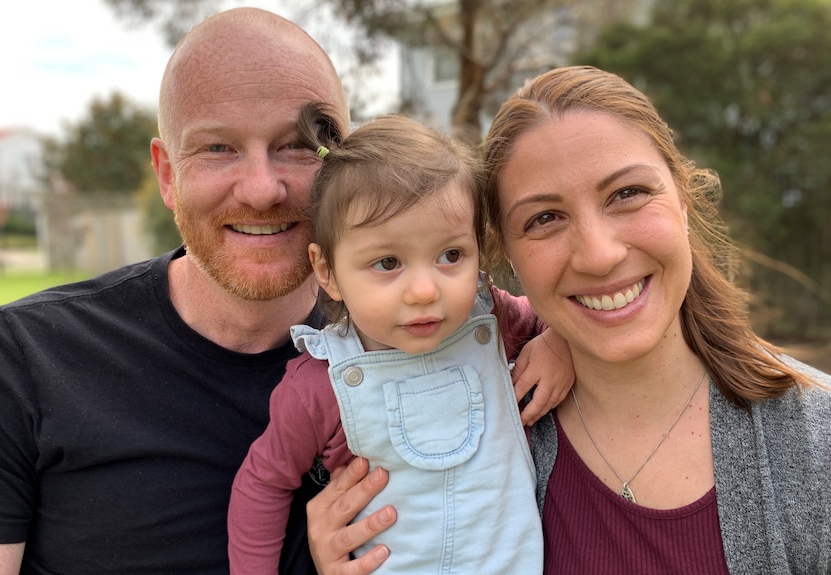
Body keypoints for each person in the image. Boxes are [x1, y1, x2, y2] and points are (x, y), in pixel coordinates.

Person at [306, 65, 831, 575]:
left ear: (683, 202)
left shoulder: (813, 442)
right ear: (505, 257)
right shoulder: (478, 427)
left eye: (628, 194)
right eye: (545, 219)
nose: (599, 256)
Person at [0, 8, 350, 574]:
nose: (262, 188)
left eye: (298, 146)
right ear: (168, 174)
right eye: (218, 148)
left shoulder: (425, 346)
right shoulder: (14, 364)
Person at [227, 109, 573, 574]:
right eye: (388, 262)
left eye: (451, 255)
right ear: (326, 270)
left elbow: (564, 318)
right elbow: (263, 485)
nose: (425, 291)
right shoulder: (320, 384)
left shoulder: (491, 319)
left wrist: (560, 342)